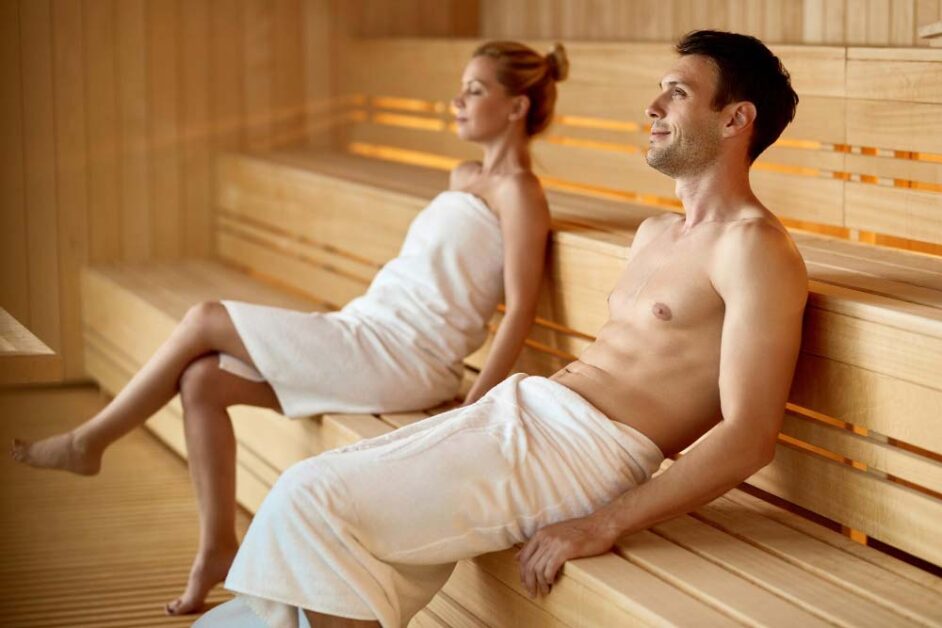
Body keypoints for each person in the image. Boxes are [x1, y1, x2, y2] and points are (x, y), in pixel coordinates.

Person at [202, 29, 808, 628]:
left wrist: (603, 522)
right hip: (524, 411)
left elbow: (751, 434)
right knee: (308, 527)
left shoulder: (755, 249)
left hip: (585, 453)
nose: (652, 107)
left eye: (677, 93)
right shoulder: (655, 233)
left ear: (735, 119)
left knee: (312, 499)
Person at [10, 41, 570, 615]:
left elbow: (521, 310)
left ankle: (89, 441)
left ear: (516, 107)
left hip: (404, 355)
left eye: (475, 90)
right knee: (202, 381)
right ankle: (218, 549)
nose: (456, 100)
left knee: (207, 317)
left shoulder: (520, 196)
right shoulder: (464, 177)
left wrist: (474, 409)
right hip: (367, 324)